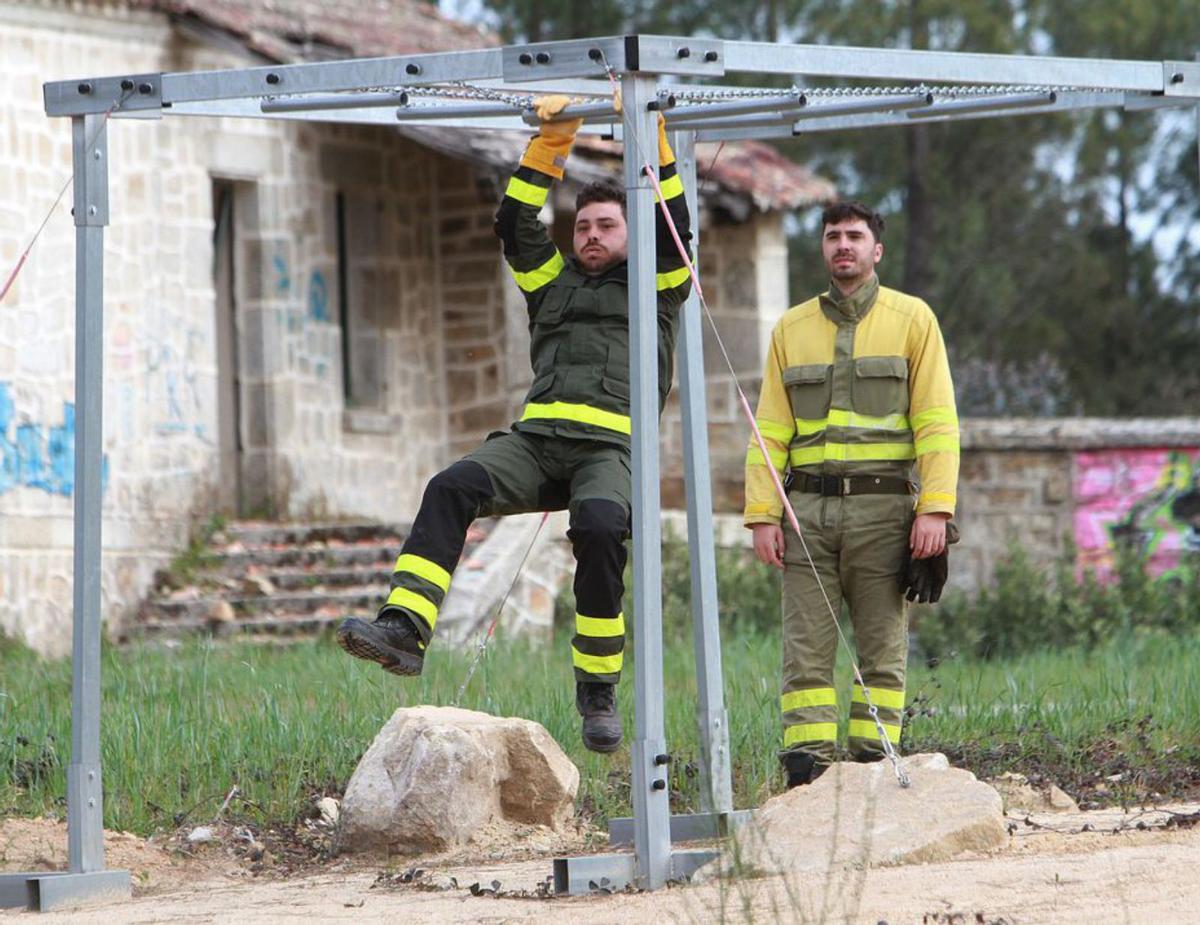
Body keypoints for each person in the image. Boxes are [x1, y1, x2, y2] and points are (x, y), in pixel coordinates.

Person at [337, 95, 692, 753]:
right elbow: (515, 219)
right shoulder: (549, 284)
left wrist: (654, 131)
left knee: (600, 527)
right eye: (582, 225)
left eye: (606, 226)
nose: (590, 234)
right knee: (450, 486)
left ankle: (597, 691)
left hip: (608, 449)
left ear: (630, 235)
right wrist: (553, 139)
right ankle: (405, 631)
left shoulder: (658, 286)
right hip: (536, 442)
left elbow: (673, 221)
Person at [743, 201, 959, 787]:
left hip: (884, 512)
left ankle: (874, 767)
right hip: (804, 512)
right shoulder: (790, 329)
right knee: (805, 650)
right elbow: (769, 432)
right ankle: (806, 777)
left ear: (876, 250)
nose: (844, 245)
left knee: (881, 646)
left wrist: (936, 509)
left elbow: (938, 424)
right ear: (822, 248)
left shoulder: (913, 320)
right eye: (833, 236)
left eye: (855, 236)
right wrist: (763, 515)